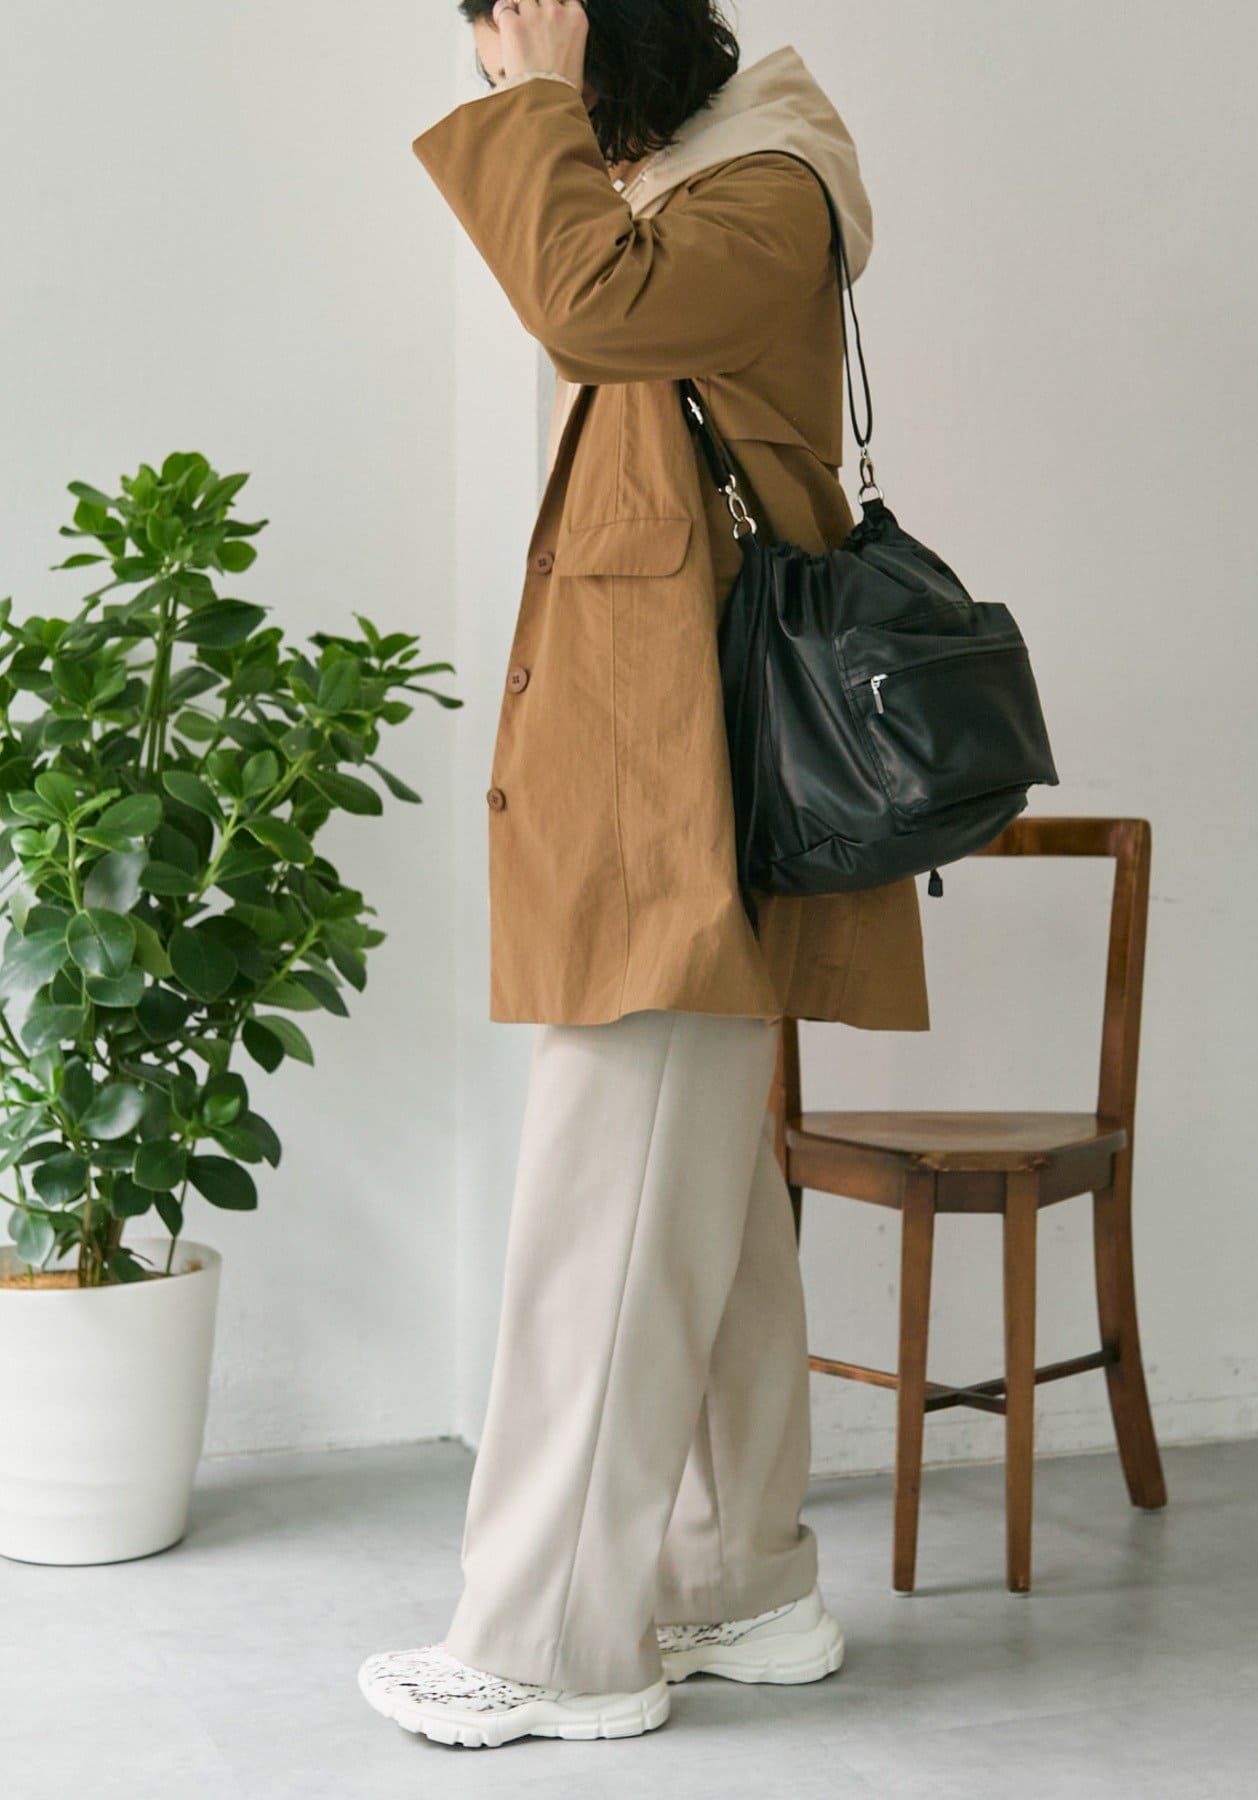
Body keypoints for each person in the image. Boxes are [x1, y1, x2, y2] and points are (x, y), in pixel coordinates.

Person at [359, 0, 928, 1751]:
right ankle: (738, 1580)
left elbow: (587, 310)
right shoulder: (688, 194)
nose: (531, 105)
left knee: (599, 1221)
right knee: (700, 1214)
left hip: (686, 786)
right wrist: (541, 99)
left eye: (535, 68)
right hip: (649, 767)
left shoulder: (768, 186)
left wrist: (535, 97)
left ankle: (552, 1645)